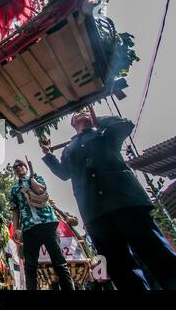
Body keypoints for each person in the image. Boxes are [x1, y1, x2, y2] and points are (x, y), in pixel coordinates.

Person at [40, 109, 176, 290]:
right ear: (73, 123)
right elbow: (64, 173)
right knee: (120, 267)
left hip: (125, 201)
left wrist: (99, 120)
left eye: (85, 111)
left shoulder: (105, 133)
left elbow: (125, 125)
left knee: (156, 251)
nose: (82, 112)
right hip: (95, 212)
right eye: (77, 113)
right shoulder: (68, 150)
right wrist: (48, 154)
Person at [10, 159, 75, 290]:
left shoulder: (38, 178)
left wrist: (31, 178)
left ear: (26, 167)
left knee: (59, 262)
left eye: (20, 165)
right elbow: (15, 210)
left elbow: (40, 191)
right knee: (30, 266)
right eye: (15, 167)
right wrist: (17, 229)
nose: (18, 168)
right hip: (29, 228)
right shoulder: (15, 189)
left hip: (47, 223)